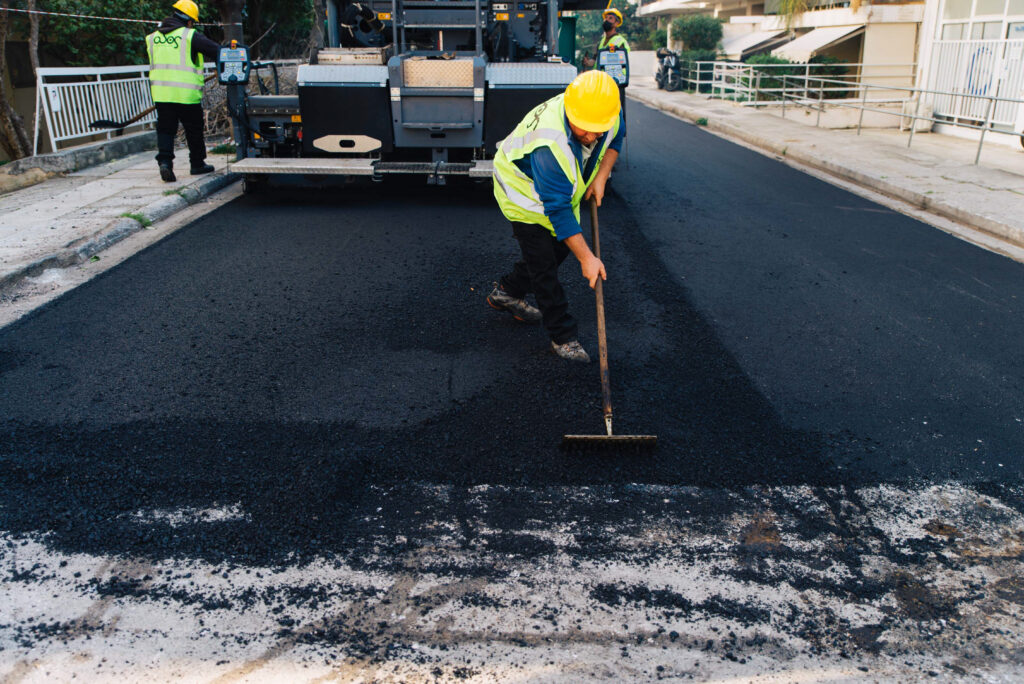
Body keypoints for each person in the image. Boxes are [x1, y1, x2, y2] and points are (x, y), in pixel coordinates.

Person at [487, 70, 624, 363]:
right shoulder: (550, 147)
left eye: (597, 128)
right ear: (571, 112)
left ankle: (507, 292)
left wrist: (601, 176)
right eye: (584, 129)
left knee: (560, 248)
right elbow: (558, 212)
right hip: (523, 192)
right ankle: (563, 337)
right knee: (544, 265)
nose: (591, 136)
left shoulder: (603, 110)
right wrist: (588, 259)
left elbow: (616, 137)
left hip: (560, 194)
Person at [146, 0, 221, 182]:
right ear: (189, 20)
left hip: (162, 93)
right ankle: (197, 164)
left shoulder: (152, 37)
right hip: (186, 94)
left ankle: (165, 163)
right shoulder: (190, 36)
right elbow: (218, 50)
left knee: (165, 130)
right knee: (193, 129)